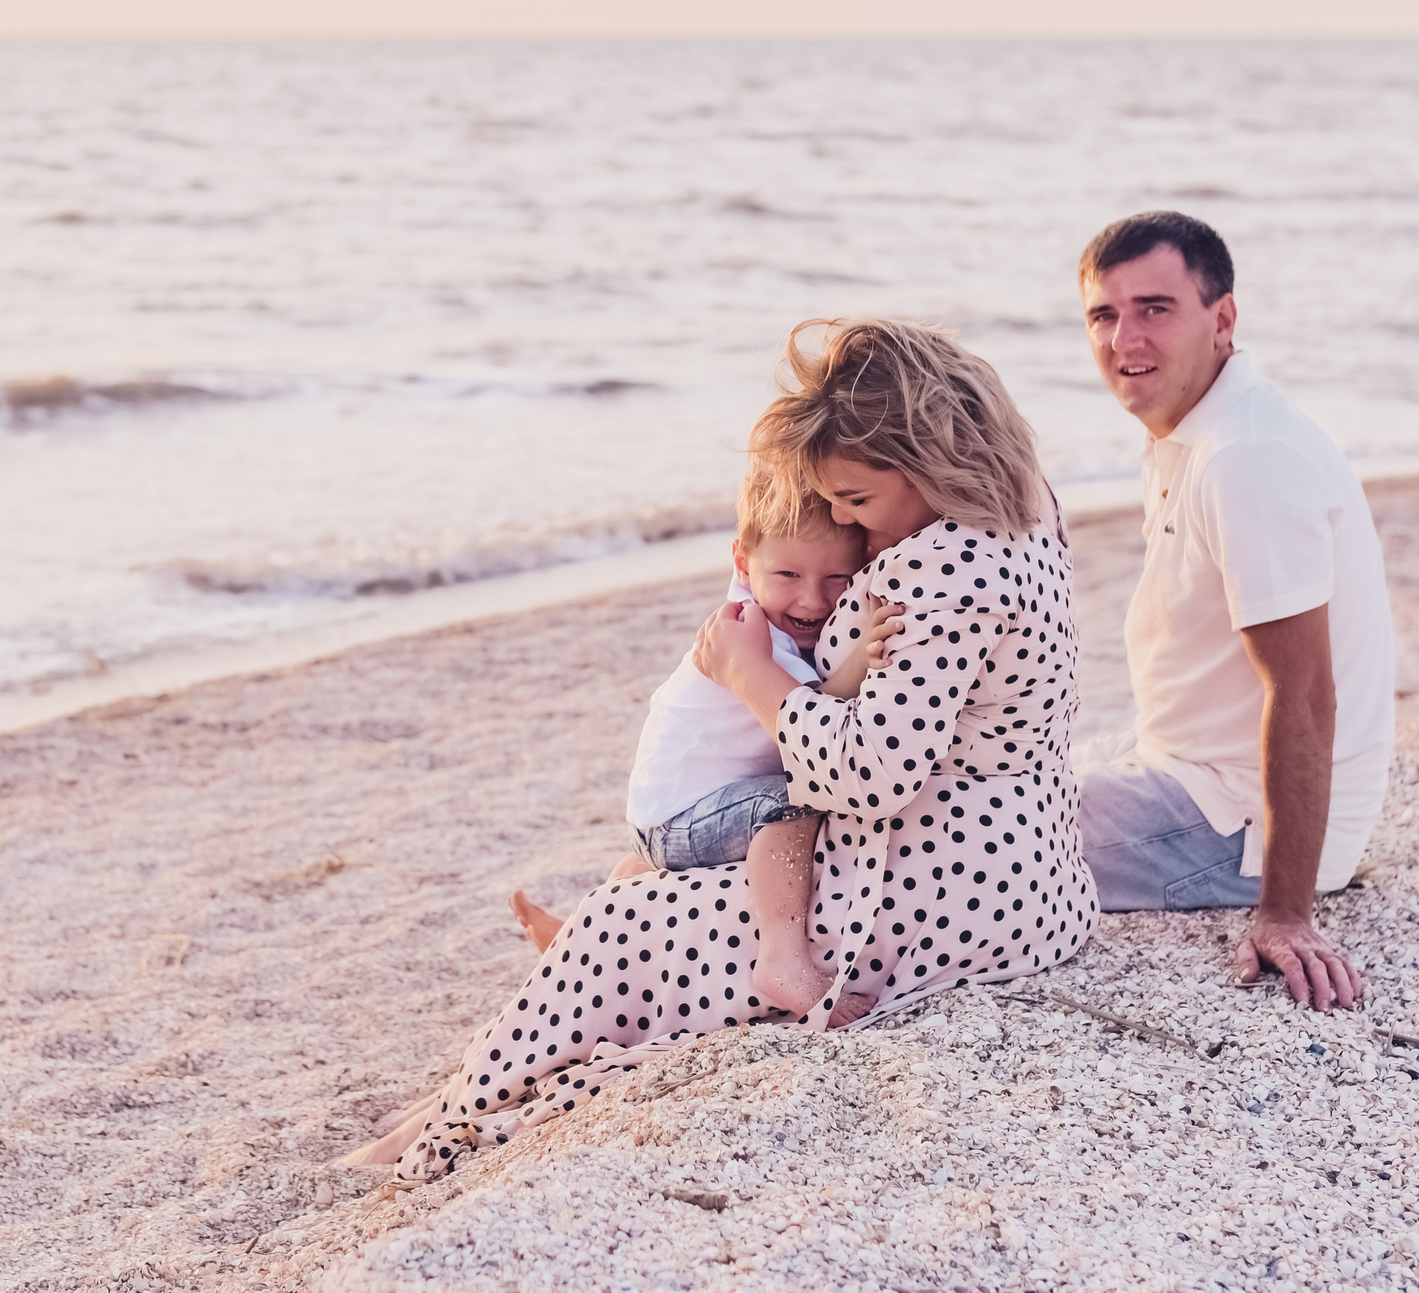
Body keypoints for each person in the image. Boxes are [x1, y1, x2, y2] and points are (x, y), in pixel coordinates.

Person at [357, 319, 1097, 1180]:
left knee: (612, 928)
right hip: (1027, 870)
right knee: (635, 884)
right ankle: (454, 1101)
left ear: (927, 457)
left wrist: (755, 679)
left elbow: (872, 775)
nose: (854, 527)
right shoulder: (1025, 501)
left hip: (937, 896)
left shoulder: (937, 569)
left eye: (857, 502)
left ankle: (444, 1130)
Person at [1074, 211, 1393, 1012]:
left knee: (950, 826)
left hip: (1233, 826)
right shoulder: (1197, 428)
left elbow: (1305, 692)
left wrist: (1285, 913)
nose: (1123, 339)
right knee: (972, 780)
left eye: (1154, 308)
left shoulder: (1246, 458)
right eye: (1103, 315)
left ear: (1222, 319)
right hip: (1191, 773)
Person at [507, 468, 902, 1020]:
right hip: (681, 817)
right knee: (792, 801)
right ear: (743, 562)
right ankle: (784, 960)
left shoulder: (770, 608)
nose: (812, 600)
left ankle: (574, 945)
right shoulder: (749, 635)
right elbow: (814, 722)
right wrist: (863, 655)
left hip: (668, 811)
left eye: (838, 579)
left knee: (640, 876)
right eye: (787, 573)